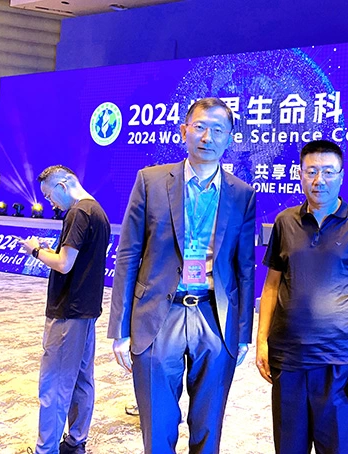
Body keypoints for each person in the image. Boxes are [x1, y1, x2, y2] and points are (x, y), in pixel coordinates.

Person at [108, 97, 256, 454]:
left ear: (229, 138)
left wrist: (242, 333)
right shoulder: (151, 181)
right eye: (200, 127)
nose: (207, 137)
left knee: (208, 426)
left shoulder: (242, 194)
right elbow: (128, 255)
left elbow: (244, 267)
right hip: (159, 313)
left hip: (214, 315)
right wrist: (120, 329)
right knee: (157, 426)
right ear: (184, 131)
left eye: (217, 130)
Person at [256, 140, 348, 454]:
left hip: (339, 362)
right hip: (288, 359)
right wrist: (262, 341)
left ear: (341, 176)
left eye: (329, 172)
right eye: (312, 171)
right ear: (300, 174)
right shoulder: (285, 222)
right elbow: (271, 285)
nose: (320, 180)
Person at [20, 165, 111, 454]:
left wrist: (35, 251)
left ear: (63, 185)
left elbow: (64, 264)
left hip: (67, 311)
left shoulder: (78, 213)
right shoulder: (97, 211)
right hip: (85, 309)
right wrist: (52, 251)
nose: (50, 203)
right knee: (82, 379)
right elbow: (75, 259)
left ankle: (45, 449)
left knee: (55, 383)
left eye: (50, 195)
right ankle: (75, 442)